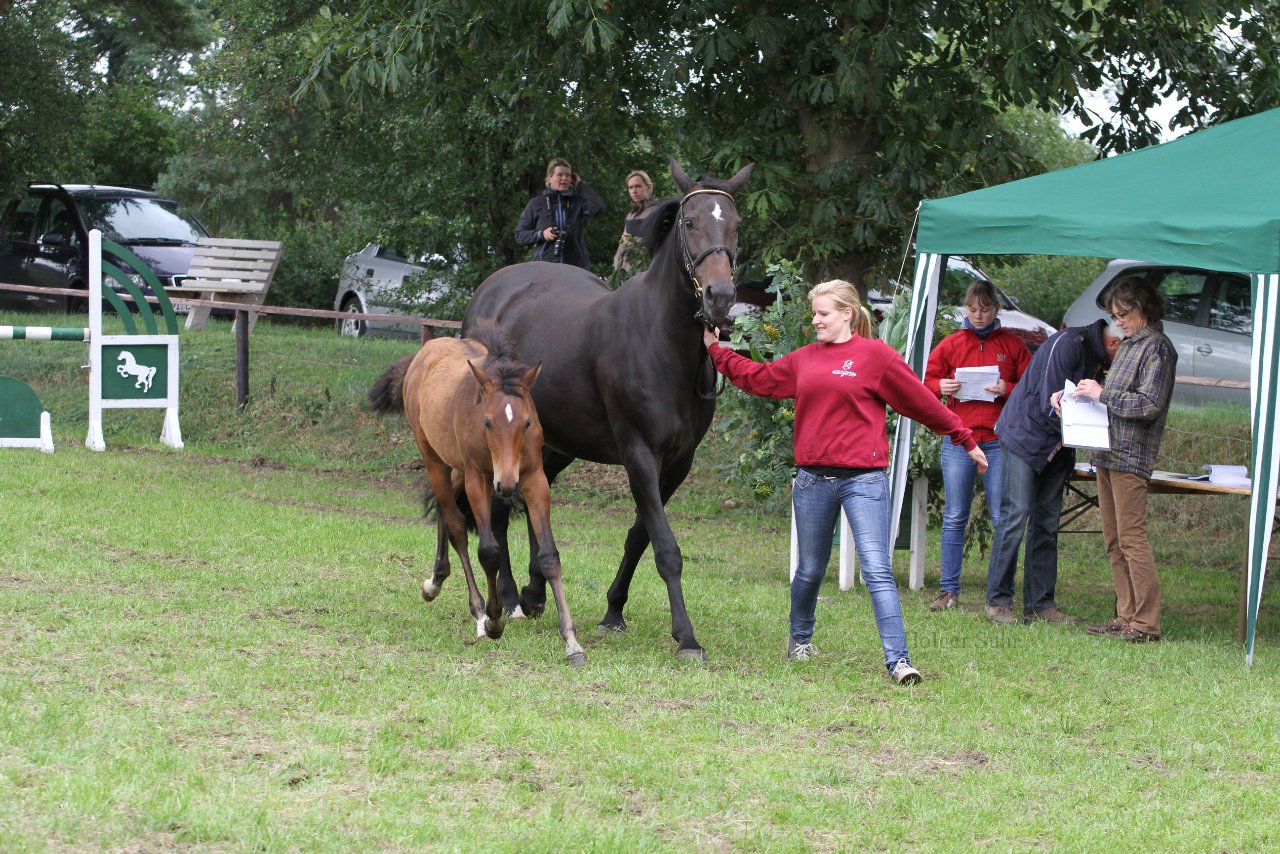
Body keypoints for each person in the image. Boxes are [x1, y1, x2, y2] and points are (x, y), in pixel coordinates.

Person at [702, 280, 988, 685]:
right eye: (814, 313)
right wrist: (717, 350)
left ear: (847, 314)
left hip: (865, 481)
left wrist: (964, 437)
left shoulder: (877, 358)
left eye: (822, 313)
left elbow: (922, 403)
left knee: (877, 570)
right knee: (810, 570)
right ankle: (799, 640)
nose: (815, 320)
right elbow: (759, 379)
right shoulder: (805, 359)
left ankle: (899, 662)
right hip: (812, 481)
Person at [985, 318, 1122, 625]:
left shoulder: (1102, 360)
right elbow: (1053, 401)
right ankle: (998, 601)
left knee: (1046, 524)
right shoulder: (1068, 344)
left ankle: (1040, 604)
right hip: (1025, 437)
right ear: (1114, 343)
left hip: (1060, 446)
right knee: (1015, 515)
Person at [1073, 278, 1177, 642]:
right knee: (1114, 539)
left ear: (1143, 308)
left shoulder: (1158, 348)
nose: (1117, 321)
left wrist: (1103, 395)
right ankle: (1126, 615)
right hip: (1106, 450)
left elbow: (1149, 404)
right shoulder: (1132, 344)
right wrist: (1084, 396)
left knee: (1132, 538)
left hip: (1131, 454)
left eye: (1122, 314)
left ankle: (1147, 623)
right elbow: (1113, 398)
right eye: (1113, 315)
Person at [924, 281, 1031, 611]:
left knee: (1002, 517)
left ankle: (999, 597)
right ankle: (948, 592)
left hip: (999, 441)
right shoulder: (952, 344)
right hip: (960, 439)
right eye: (972, 310)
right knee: (955, 514)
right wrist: (941, 385)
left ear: (996, 309)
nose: (979, 315)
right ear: (965, 310)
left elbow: (1031, 388)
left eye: (985, 309)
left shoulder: (1012, 346)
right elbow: (924, 385)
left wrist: (1006, 388)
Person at [515, 158, 606, 270]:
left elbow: (598, 207)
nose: (564, 178)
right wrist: (541, 234)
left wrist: (580, 184)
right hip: (545, 266)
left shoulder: (577, 202)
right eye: (560, 175)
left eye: (568, 175)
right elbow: (519, 235)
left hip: (575, 266)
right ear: (550, 177)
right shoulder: (536, 203)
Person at [612, 169, 657, 275]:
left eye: (638, 186)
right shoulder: (630, 215)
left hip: (648, 270)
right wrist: (616, 267)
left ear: (648, 187)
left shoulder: (657, 211)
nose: (634, 191)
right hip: (626, 271)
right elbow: (623, 243)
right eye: (630, 187)